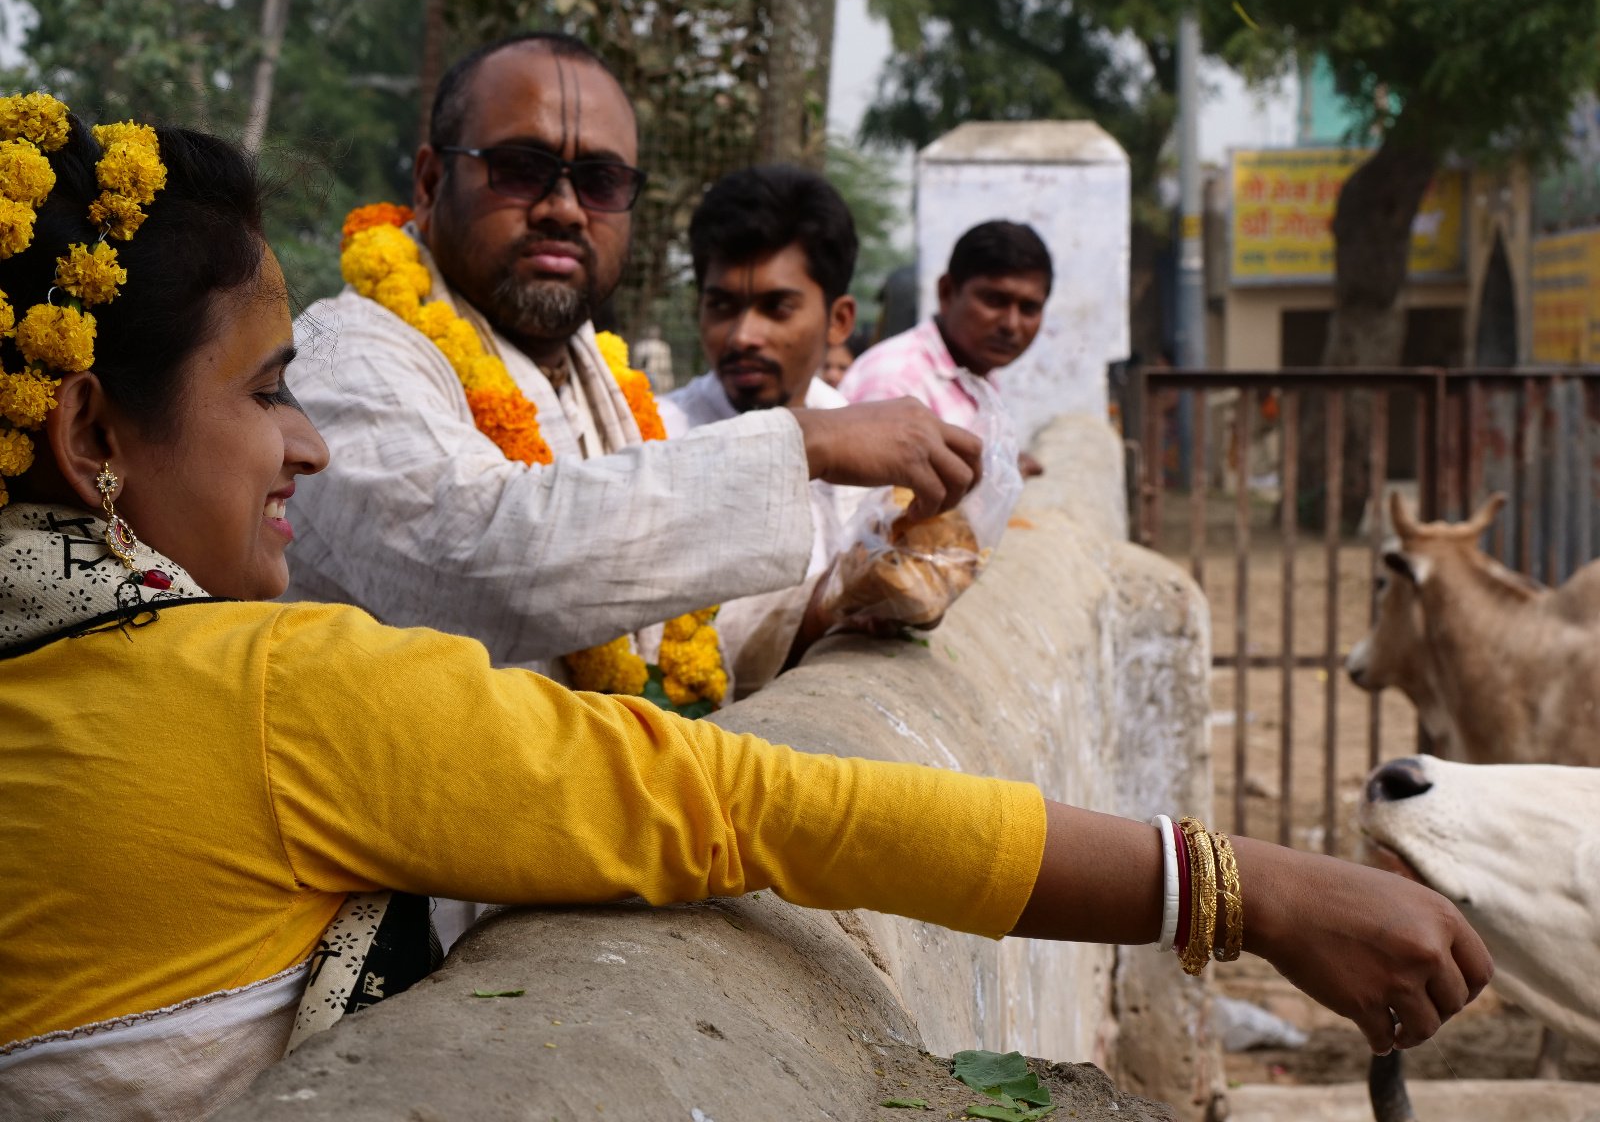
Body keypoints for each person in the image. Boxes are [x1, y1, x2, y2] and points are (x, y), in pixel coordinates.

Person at [0, 98, 1492, 1120]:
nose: (308, 444)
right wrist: (1247, 890)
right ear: (87, 437)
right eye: (268, 400)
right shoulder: (269, 681)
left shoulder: (591, 382)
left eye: (602, 180)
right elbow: (736, 800)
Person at [284, 31, 982, 696]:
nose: (563, 208)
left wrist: (839, 602)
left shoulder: (589, 370)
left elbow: (650, 640)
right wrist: (811, 442)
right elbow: (478, 559)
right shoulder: (342, 352)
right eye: (523, 169)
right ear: (432, 181)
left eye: (600, 181)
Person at [659, 164, 865, 692]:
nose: (744, 335)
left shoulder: (869, 454)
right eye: (722, 306)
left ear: (839, 320)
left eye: (777, 308)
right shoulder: (656, 440)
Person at [842, 221, 1050, 467]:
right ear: (947, 292)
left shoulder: (979, 376)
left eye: (1029, 308)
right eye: (994, 300)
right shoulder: (895, 382)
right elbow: (873, 503)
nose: (1011, 324)